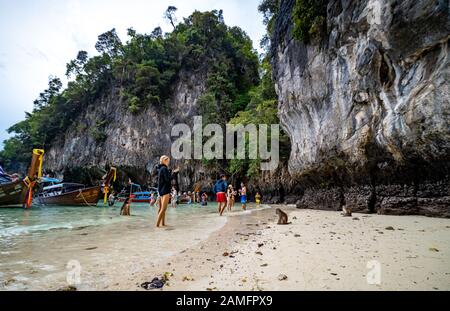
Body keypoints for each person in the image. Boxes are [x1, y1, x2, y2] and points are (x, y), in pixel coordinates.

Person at [156, 155, 178, 228]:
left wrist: (171, 173)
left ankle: (163, 224)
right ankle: (157, 225)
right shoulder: (164, 169)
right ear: (165, 161)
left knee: (162, 208)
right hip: (165, 190)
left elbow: (164, 179)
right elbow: (168, 179)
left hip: (161, 191)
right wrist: (174, 173)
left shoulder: (160, 169)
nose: (168, 163)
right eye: (168, 161)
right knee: (163, 209)